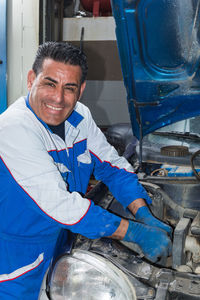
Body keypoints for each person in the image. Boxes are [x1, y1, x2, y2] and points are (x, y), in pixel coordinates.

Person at [0, 41, 172, 299]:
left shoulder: (80, 117)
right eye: (50, 83)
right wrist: (135, 232)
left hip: (58, 246)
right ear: (31, 79)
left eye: (69, 88)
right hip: (13, 265)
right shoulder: (13, 129)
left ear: (80, 90)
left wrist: (143, 213)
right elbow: (62, 206)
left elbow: (112, 166)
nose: (58, 98)